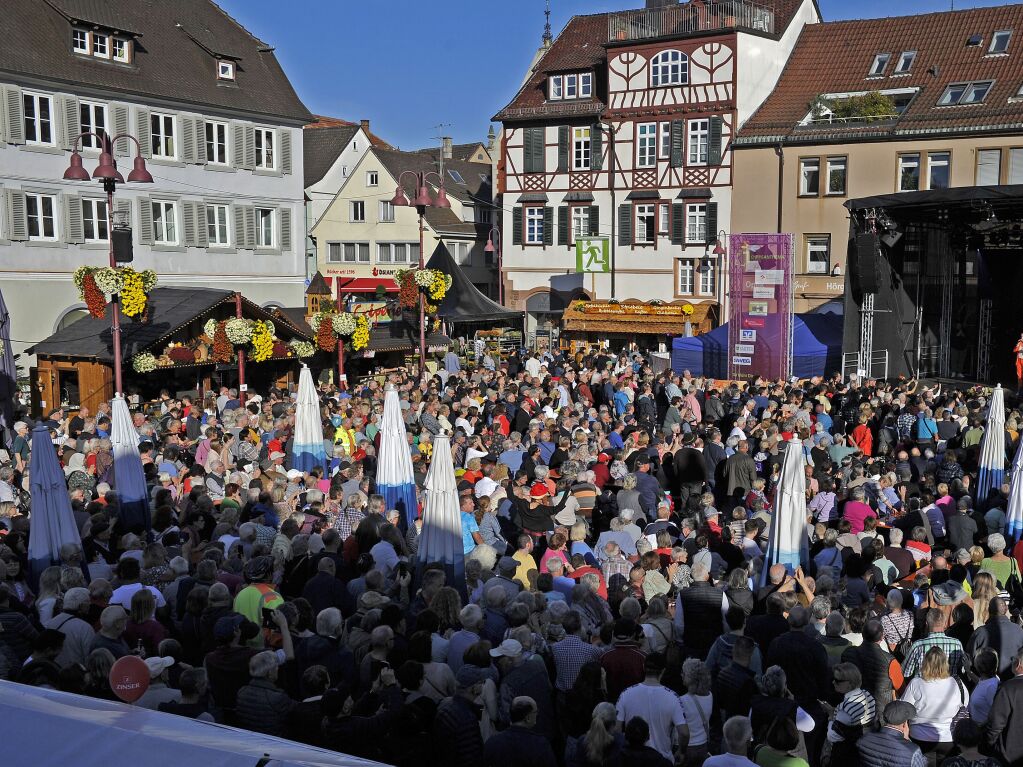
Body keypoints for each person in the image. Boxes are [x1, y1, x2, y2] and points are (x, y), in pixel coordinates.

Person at [899, 646, 967, 765]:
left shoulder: (916, 683)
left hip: (920, 738)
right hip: (948, 738)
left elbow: (904, 708)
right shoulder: (956, 682)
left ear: (925, 663)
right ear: (945, 663)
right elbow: (965, 704)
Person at [615, 654, 686, 762]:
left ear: (644, 667)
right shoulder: (673, 697)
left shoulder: (626, 693)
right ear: (663, 671)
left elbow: (617, 729)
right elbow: (684, 733)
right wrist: (681, 751)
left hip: (631, 759)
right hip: (662, 759)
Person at [483, 696, 557, 767]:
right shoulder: (540, 744)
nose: (537, 715)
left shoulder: (492, 742)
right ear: (528, 718)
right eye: (535, 712)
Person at [856, 700, 927, 767]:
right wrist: (907, 740)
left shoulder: (863, 739)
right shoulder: (913, 751)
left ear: (884, 718)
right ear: (904, 724)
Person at [985, 646, 1023, 764]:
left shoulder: (1008, 688)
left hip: (1008, 755)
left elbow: (995, 724)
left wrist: (988, 745)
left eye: (1013, 659)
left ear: (1018, 664)